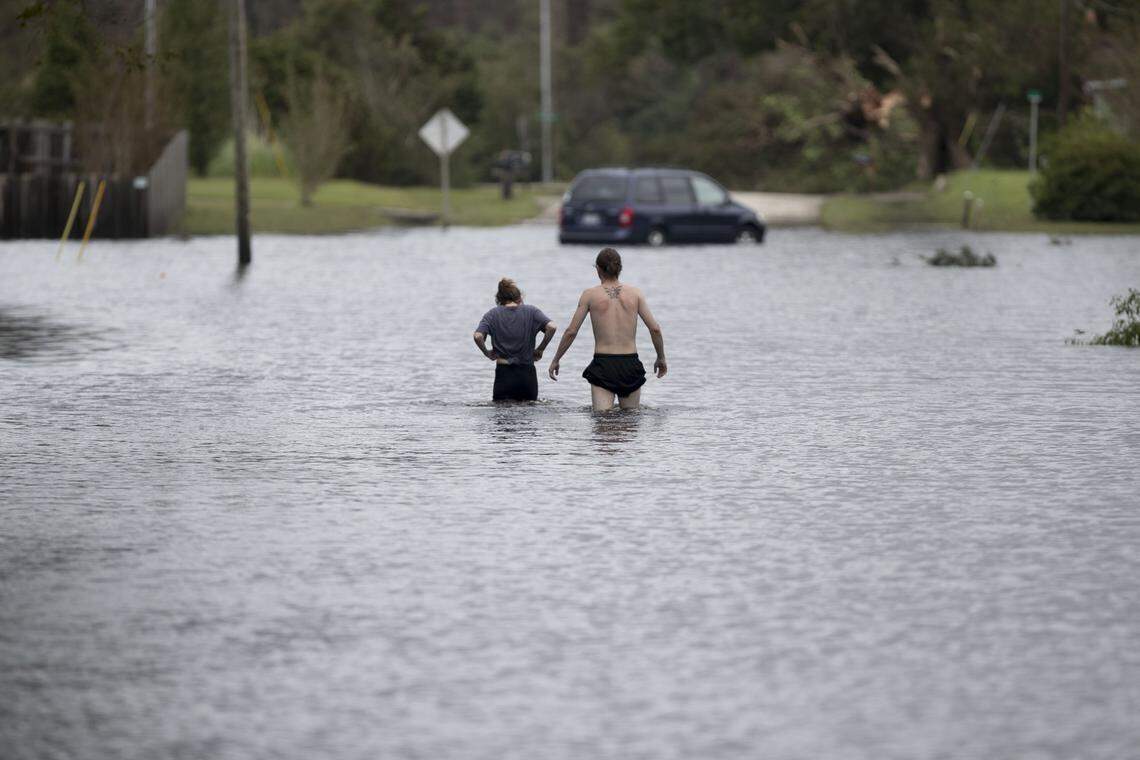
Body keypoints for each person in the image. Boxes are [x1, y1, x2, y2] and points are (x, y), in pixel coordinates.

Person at [547, 248, 666, 411]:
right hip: (629, 363)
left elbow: (571, 331)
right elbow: (655, 329)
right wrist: (661, 358)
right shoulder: (636, 294)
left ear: (598, 268)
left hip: (603, 364)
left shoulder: (589, 295)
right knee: (630, 422)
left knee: (602, 422)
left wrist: (556, 359)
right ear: (620, 268)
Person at [473, 278, 557, 402]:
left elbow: (478, 336)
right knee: (527, 413)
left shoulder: (492, 314)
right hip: (527, 375)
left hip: (504, 375)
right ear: (519, 297)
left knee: (502, 414)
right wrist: (540, 349)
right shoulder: (531, 311)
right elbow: (552, 327)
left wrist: (486, 352)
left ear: (499, 300)